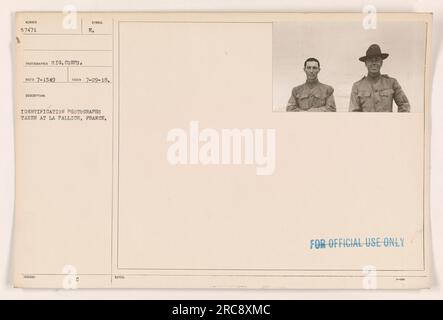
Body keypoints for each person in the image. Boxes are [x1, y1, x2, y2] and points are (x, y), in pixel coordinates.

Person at [349, 44, 410, 112]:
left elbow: (404, 105)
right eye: (370, 60)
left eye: (377, 60)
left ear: (381, 63)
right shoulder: (357, 86)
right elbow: (353, 113)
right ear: (366, 63)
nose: (374, 63)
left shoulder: (392, 83)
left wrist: (397, 121)